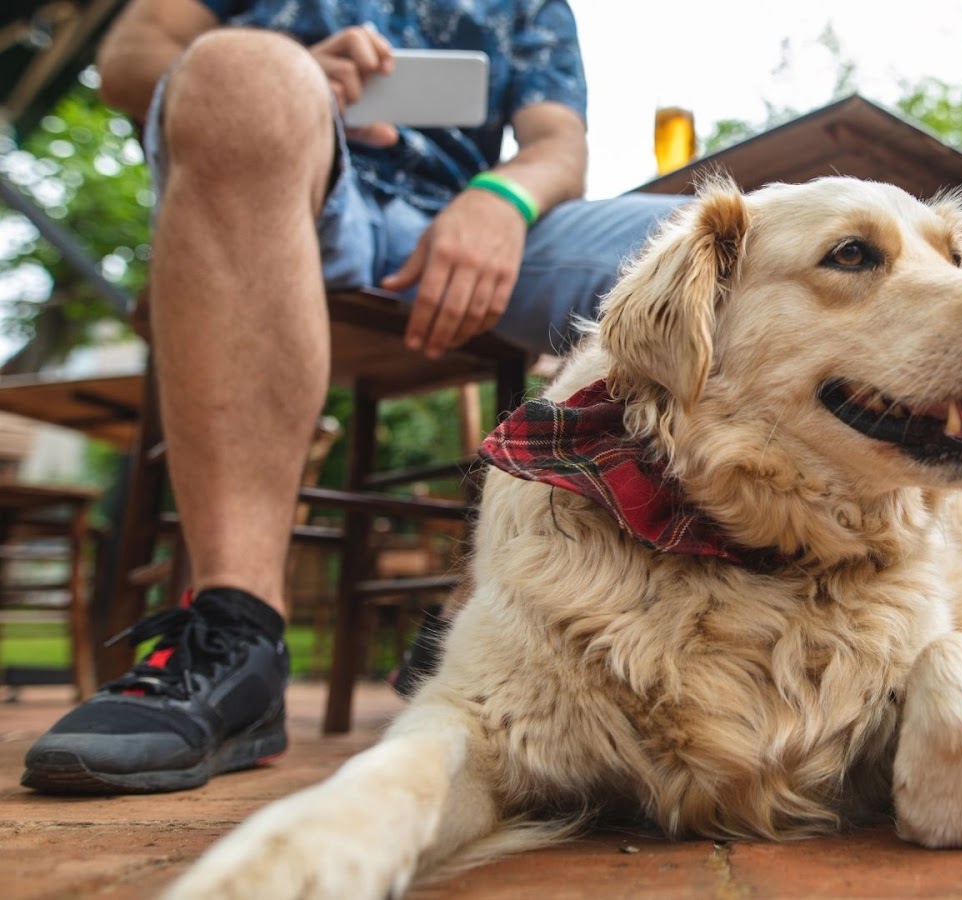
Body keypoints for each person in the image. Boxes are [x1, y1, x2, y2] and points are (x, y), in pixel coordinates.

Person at [21, 0, 682, 795]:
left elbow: (556, 146)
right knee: (243, 71)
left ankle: (509, 628)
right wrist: (300, 77)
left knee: (722, 247)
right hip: (293, 189)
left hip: (468, 217)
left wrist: (501, 199)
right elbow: (128, 62)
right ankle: (237, 636)